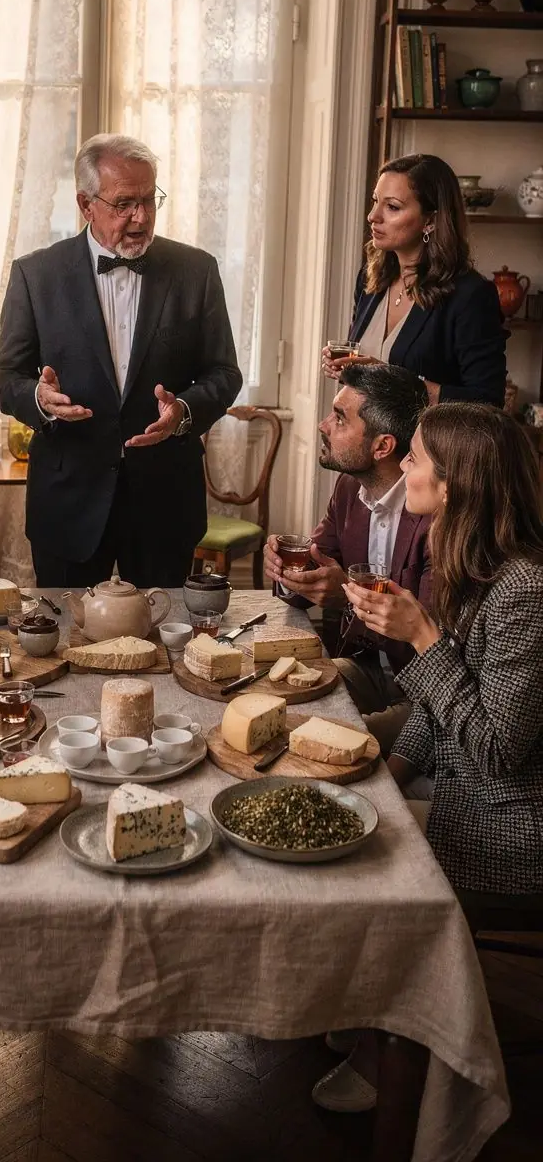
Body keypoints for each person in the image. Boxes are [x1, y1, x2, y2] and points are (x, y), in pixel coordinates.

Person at [313, 402, 543, 1114]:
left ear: (453, 484)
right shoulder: (479, 566)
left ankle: (394, 1050)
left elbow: (497, 751)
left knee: (365, 866)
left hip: (513, 826)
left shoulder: (525, 591)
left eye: (415, 458)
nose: (404, 467)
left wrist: (421, 638)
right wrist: (387, 780)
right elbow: (441, 710)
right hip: (470, 792)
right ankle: (368, 1010)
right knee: (346, 820)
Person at [0, 132, 242, 587]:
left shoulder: (197, 270)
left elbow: (224, 372)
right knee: (65, 630)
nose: (140, 217)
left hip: (165, 500)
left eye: (149, 200)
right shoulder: (36, 273)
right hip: (68, 502)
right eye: (124, 203)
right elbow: (4, 376)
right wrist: (39, 399)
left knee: (167, 630)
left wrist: (184, 412)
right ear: (86, 205)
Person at [263, 363, 430, 752]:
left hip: (421, 697)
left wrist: (346, 596)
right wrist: (289, 573)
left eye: (339, 418)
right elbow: (316, 569)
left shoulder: (431, 514)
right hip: (364, 667)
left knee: (307, 742)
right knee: (272, 702)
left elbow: (429, 637)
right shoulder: (347, 488)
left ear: (381, 446)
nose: (323, 425)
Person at [322, 153, 506, 405]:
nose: (373, 216)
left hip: (424, 432)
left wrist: (399, 384)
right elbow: (368, 381)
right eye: (375, 201)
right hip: (364, 430)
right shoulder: (370, 279)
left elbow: (487, 400)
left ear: (430, 220)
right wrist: (347, 369)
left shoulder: (470, 295)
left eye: (392, 207)